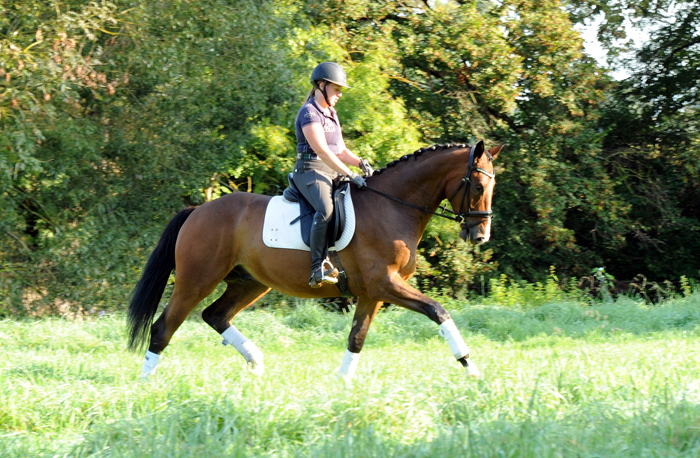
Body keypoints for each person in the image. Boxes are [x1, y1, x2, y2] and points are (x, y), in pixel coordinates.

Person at [293, 62, 374, 288]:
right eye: (336, 89)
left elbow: (340, 150)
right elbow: (322, 151)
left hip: (331, 169)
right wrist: (350, 173)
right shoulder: (309, 112)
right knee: (326, 210)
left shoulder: (331, 112)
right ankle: (317, 266)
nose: (339, 94)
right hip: (309, 170)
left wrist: (360, 162)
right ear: (322, 85)